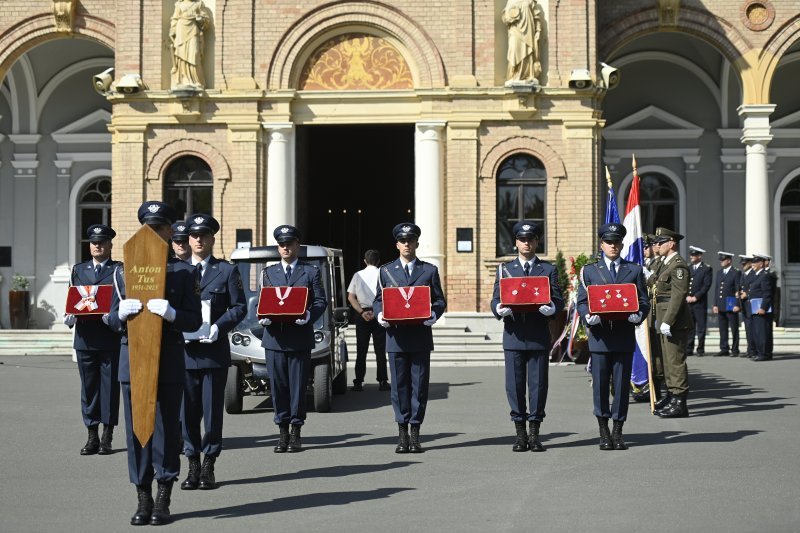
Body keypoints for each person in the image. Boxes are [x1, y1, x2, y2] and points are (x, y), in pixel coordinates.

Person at [107, 201, 202, 526]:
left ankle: (164, 495)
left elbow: (194, 321)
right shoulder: (123, 271)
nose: (155, 232)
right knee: (137, 432)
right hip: (132, 363)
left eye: (160, 227)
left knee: (165, 431)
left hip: (169, 362)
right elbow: (109, 317)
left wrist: (173, 314)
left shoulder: (184, 272)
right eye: (149, 227)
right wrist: (119, 314)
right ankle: (142, 495)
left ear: (167, 231)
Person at [180, 214, 246, 491]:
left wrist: (220, 327)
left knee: (212, 412)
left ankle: (209, 464)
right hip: (184, 354)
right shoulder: (176, 270)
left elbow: (239, 307)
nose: (197, 240)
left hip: (213, 352)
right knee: (187, 413)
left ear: (212, 239)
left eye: (203, 235)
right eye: (193, 236)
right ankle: (192, 463)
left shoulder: (227, 271)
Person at [373, 223, 447, 454]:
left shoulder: (429, 270)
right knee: (399, 387)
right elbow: (378, 299)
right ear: (397, 244)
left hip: (419, 336)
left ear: (416, 243)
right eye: (402, 241)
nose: (406, 244)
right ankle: (402, 433)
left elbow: (439, 300)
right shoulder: (386, 271)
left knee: (419, 387)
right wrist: (380, 314)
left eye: (410, 240)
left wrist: (434, 314)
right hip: (396, 337)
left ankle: (415, 433)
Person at [490, 221, 562, 452]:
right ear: (516, 243)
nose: (527, 243)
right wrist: (498, 309)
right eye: (522, 239)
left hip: (538, 335)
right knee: (514, 386)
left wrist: (552, 308)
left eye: (531, 239)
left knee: (538, 386)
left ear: (537, 242)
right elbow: (495, 298)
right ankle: (520, 433)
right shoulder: (505, 269)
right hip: (514, 335)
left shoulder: (548, 270)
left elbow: (558, 299)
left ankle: (535, 433)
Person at [577, 223, 649, 450]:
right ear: (601, 244)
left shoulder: (634, 270)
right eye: (609, 242)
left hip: (623, 336)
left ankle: (618, 431)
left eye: (617, 242)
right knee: (600, 387)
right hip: (600, 338)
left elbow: (644, 301)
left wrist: (638, 315)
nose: (613, 246)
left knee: (620, 387)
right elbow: (582, 301)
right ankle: (603, 430)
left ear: (622, 244)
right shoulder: (590, 271)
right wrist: (588, 316)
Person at [259, 225, 327, 453]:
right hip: (275, 338)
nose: (285, 248)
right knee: (278, 387)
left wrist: (309, 315)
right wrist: (263, 318)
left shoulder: (310, 272)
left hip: (299, 336)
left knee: (297, 386)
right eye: (281, 244)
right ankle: (282, 431)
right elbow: (264, 301)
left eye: (289, 243)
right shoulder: (268, 272)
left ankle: (296, 431)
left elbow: (320, 301)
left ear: (298, 245)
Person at [63, 224, 122, 455]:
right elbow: (72, 296)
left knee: (109, 388)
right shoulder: (79, 270)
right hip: (86, 338)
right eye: (94, 242)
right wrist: (69, 315)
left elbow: (121, 297)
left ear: (110, 245)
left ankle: (107, 436)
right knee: (89, 389)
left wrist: (114, 318)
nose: (97, 245)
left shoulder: (118, 270)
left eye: (102, 242)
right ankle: (91, 436)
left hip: (109, 337)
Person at [651, 227, 693, 418]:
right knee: (667, 361)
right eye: (656, 243)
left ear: (671, 243)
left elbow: (678, 295)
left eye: (660, 242)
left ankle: (680, 402)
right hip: (663, 318)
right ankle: (671, 395)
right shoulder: (664, 264)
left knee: (675, 361)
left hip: (673, 321)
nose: (656, 245)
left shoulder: (678, 266)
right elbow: (654, 284)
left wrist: (668, 321)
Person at [347, 249, 389, 392]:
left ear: (364, 261)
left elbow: (351, 297)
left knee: (361, 350)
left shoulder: (357, 275)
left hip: (362, 314)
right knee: (381, 350)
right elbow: (389, 295)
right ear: (378, 261)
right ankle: (383, 381)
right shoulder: (383, 273)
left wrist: (361, 312)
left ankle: (358, 382)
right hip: (379, 314)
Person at [169, 0, 211, 89]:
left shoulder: (198, 4)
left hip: (193, 30)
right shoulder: (179, 4)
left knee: (194, 53)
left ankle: (195, 80)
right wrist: (172, 30)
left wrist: (200, 19)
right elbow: (175, 19)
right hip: (181, 29)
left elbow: (206, 20)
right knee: (181, 54)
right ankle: (183, 79)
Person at [501, 0, 544, 84]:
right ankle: (514, 75)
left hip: (528, 31)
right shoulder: (510, 1)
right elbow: (505, 16)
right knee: (513, 51)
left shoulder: (530, 1)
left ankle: (527, 75)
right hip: (514, 30)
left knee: (527, 51)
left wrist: (538, 31)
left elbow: (536, 17)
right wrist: (509, 18)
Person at [712, 251, 741, 356]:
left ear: (729, 260)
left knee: (734, 328)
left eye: (723, 260)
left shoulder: (735, 272)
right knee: (722, 328)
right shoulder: (719, 272)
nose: (721, 262)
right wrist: (715, 304)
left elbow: (738, 289)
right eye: (721, 260)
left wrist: (737, 304)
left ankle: (735, 349)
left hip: (731, 303)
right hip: (721, 303)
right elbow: (717, 289)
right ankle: (724, 348)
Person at [747, 254, 776, 362]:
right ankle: (761, 352)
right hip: (755, 308)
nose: (752, 264)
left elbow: (767, 293)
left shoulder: (765, 275)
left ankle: (764, 353)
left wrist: (763, 307)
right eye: (752, 263)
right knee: (758, 332)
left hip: (761, 309)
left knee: (763, 332)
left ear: (761, 264)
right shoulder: (756, 275)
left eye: (755, 263)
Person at [686, 246, 712, 356]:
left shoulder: (706, 268)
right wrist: (686, 296)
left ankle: (700, 349)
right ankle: (689, 348)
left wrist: (696, 297)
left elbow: (706, 285)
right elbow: (685, 283)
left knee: (701, 327)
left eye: (694, 255)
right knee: (690, 327)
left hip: (699, 302)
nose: (691, 257)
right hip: (688, 301)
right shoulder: (688, 267)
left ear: (699, 256)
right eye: (691, 255)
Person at [738, 255, 755, 358]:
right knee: (748, 329)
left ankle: (753, 350)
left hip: (750, 304)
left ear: (749, 263)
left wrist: (747, 294)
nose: (743, 265)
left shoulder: (753, 274)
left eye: (744, 264)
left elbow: (755, 288)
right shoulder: (743, 274)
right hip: (744, 305)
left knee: (752, 328)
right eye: (742, 264)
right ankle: (750, 349)